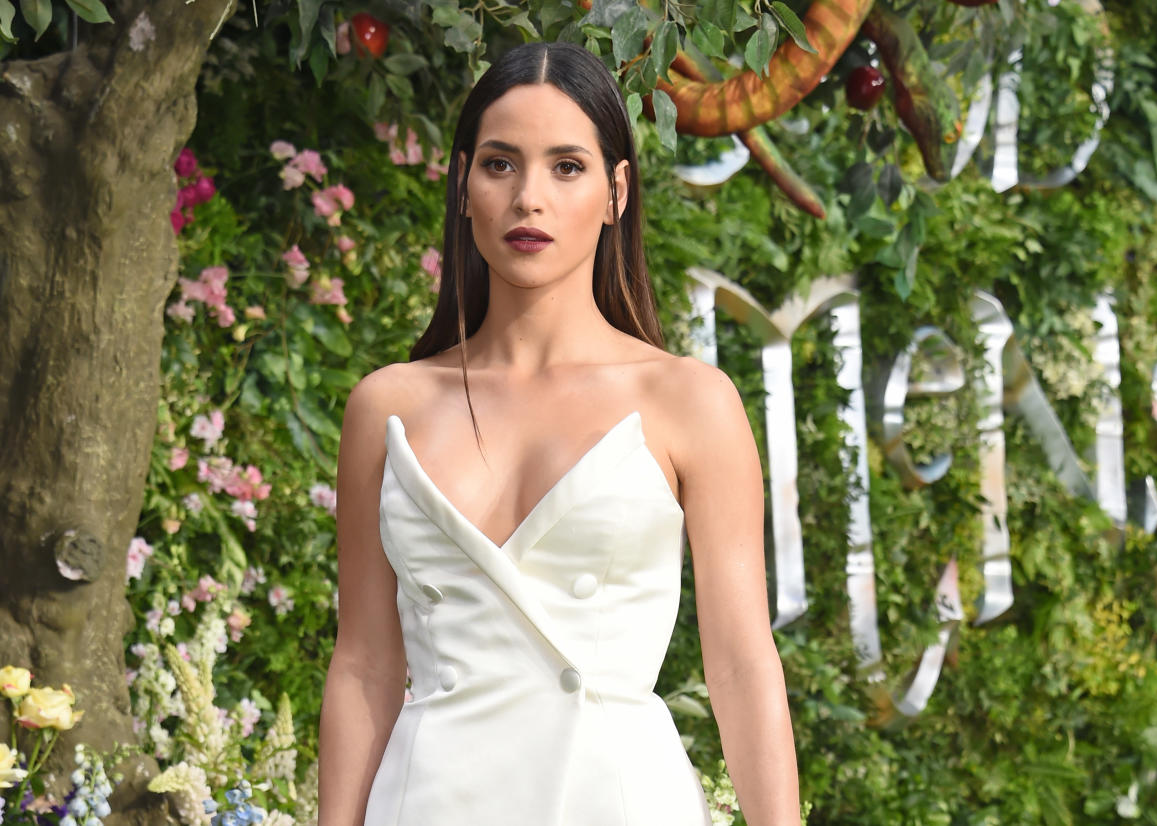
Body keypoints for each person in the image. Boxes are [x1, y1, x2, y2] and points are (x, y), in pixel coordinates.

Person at [319, 41, 801, 826]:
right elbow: (365, 666)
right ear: (463, 186)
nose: (528, 198)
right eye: (500, 165)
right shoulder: (385, 406)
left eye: (566, 167)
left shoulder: (688, 401)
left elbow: (742, 664)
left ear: (616, 191)